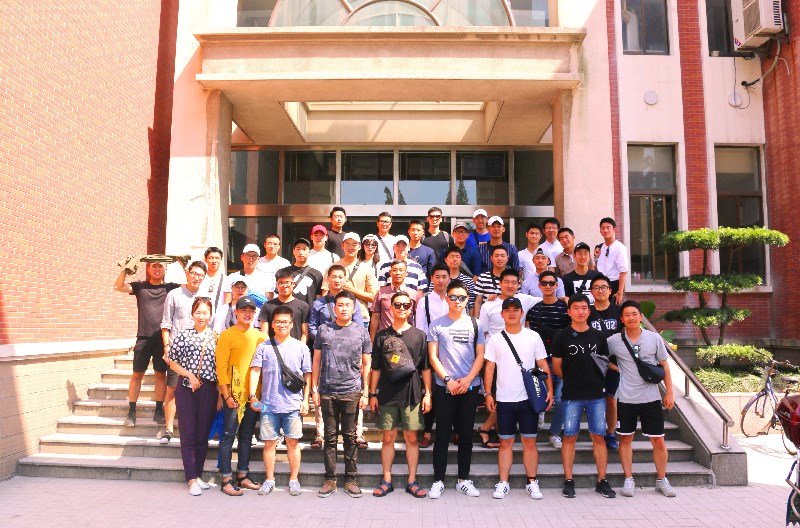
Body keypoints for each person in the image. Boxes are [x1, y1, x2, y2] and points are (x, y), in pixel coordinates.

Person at [484, 297, 553, 500]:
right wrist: (488, 394)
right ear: (502, 314)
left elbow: (543, 364)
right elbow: (489, 368)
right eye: (508, 310)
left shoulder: (532, 336)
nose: (512, 313)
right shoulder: (495, 339)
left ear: (522, 313)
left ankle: (532, 481)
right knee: (505, 442)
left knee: (529, 442)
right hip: (504, 399)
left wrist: (549, 389)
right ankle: (503, 482)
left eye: (516, 310)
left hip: (528, 399)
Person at [607, 300, 676, 498]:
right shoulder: (614, 341)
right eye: (626, 315)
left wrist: (669, 393)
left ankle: (662, 479)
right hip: (625, 398)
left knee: (658, 441)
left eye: (634, 314)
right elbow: (601, 358)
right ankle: (628, 479)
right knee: (625, 439)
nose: (631, 318)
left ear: (641, 317)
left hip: (651, 398)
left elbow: (665, 366)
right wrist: (619, 368)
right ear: (622, 319)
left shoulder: (654, 338)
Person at [368, 291, 432, 499]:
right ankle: (386, 480)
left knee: (412, 438)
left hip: (412, 394)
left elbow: (425, 368)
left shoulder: (420, 335)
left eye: (406, 305)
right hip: (387, 394)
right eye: (398, 305)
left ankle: (412, 481)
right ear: (391, 307)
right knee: (388, 438)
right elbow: (375, 368)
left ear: (411, 308)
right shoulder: (382, 335)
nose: (402, 308)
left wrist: (428, 393)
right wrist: (372, 393)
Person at [551, 294, 615, 499]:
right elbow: (557, 367)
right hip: (571, 395)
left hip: (597, 395)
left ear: (589, 311)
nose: (580, 311)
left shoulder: (599, 336)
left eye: (584, 308)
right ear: (569, 311)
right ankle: (569, 480)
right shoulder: (561, 336)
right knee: (570, 437)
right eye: (576, 308)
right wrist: (573, 379)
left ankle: (602, 480)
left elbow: (604, 363)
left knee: (598, 437)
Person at [427, 280, 485, 499]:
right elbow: (433, 357)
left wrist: (468, 380)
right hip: (445, 388)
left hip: (469, 388)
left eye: (461, 297)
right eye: (453, 297)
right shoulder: (437, 324)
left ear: (467, 299)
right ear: (446, 298)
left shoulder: (476, 324)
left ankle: (463, 479)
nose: (457, 301)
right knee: (442, 436)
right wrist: (448, 380)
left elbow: (480, 355)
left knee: (466, 436)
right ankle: (438, 480)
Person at [312, 291, 372, 498]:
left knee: (350, 437)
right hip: (327, 390)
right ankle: (330, 479)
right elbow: (316, 360)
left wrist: (365, 392)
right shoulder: (324, 330)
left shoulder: (361, 331)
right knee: (329, 438)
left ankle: (351, 479)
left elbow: (367, 364)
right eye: (340, 305)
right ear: (334, 308)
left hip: (351, 390)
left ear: (354, 309)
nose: (344, 308)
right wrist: (314, 389)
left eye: (348, 305)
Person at [247, 305, 312, 497]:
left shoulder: (301, 347)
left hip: (293, 404)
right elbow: (255, 370)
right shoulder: (264, 346)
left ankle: (294, 480)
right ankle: (269, 479)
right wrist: (252, 395)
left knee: (293, 443)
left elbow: (307, 375)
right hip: (268, 403)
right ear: (272, 324)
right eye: (278, 322)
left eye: (285, 322)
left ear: (292, 324)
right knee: (269, 444)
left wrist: (306, 400)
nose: (282, 325)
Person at [477, 269, 540, 450]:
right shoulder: (489, 305)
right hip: (495, 356)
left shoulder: (524, 300)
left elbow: (548, 297)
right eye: (506, 282)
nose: (510, 285)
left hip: (518, 358)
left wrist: (565, 299)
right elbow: (483, 333)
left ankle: (488, 429)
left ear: (519, 284)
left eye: (514, 282)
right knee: (499, 398)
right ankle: (493, 431)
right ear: (500, 283)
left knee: (507, 398)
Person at [114, 259, 180, 428]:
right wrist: (126, 270)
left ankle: (158, 411)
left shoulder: (171, 288)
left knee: (160, 374)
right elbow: (119, 286)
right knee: (137, 374)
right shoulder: (140, 287)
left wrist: (183, 264)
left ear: (165, 269)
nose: (157, 269)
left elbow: (191, 287)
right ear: (148, 269)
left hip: (162, 339)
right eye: (154, 266)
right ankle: (131, 411)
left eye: (160, 266)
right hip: (143, 337)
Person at [308, 265, 367, 449]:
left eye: (341, 277)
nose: (337, 280)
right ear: (328, 279)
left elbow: (359, 327)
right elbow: (312, 327)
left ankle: (358, 434)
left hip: (349, 355)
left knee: (354, 393)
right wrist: (327, 336)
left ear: (345, 279)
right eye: (333, 276)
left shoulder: (352, 302)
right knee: (323, 393)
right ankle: (320, 434)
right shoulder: (318, 304)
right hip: (325, 351)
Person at [215, 296, 265, 496]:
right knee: (228, 436)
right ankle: (226, 478)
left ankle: (242, 475)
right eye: (243, 310)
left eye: (251, 310)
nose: (247, 313)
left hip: (253, 396)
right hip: (233, 396)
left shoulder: (260, 337)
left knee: (246, 436)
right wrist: (226, 394)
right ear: (235, 312)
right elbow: (221, 368)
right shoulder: (227, 335)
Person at [168, 297, 218, 496]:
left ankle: (197, 475)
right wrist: (189, 375)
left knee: (202, 435)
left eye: (205, 312)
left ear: (211, 315)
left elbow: (219, 366)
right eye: (198, 312)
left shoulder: (216, 337)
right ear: (192, 314)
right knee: (188, 434)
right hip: (187, 388)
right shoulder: (183, 335)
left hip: (209, 389)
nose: (201, 316)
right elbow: (172, 362)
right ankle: (190, 478)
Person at [160, 261, 207, 444]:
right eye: (194, 273)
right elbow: (166, 323)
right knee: (172, 389)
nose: (196, 277)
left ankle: (193, 428)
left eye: (200, 275)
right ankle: (169, 429)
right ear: (187, 273)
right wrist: (167, 347)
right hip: (177, 351)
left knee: (197, 389)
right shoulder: (174, 294)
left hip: (199, 351)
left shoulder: (205, 296)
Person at [526, 270, 571, 448]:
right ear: (539, 286)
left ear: (556, 285)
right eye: (544, 283)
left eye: (551, 283)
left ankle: (554, 433)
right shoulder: (534, 309)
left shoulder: (565, 308)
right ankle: (539, 418)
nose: (547, 286)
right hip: (542, 361)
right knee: (541, 397)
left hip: (563, 360)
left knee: (560, 399)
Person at [415, 263, 451, 449]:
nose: (441, 281)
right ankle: (427, 432)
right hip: (431, 349)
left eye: (444, 277)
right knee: (430, 391)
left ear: (449, 279)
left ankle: (453, 431)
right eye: (437, 277)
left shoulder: (455, 298)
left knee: (451, 391)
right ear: (432, 279)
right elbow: (420, 327)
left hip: (452, 352)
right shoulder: (425, 301)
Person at [588, 274, 623, 450]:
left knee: (611, 399)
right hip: (592, 364)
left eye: (604, 287)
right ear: (591, 291)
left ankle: (610, 433)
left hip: (615, 364)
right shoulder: (587, 311)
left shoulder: (618, 312)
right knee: (594, 400)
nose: (600, 290)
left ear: (610, 291)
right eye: (596, 287)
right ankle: (596, 433)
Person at [371, 260, 422, 339]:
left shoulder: (414, 294)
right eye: (394, 270)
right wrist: (372, 339)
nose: (398, 273)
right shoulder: (381, 292)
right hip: (385, 337)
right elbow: (375, 317)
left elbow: (418, 318)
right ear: (390, 272)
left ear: (406, 273)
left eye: (401, 270)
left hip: (407, 337)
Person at [259, 268, 310, 343]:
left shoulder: (303, 306)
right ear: (276, 285)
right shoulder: (267, 305)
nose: (284, 285)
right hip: (273, 347)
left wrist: (300, 348)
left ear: (293, 284)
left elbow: (305, 334)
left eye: (287, 282)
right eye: (281, 283)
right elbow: (264, 332)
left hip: (295, 348)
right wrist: (271, 348)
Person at [335, 232, 378, 322]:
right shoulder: (333, 267)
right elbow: (326, 293)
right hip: (337, 317)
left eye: (354, 244)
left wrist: (352, 290)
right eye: (347, 244)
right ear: (342, 246)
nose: (350, 247)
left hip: (361, 317)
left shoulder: (367, 268)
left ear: (359, 247)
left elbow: (373, 297)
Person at [279, 238, 324, 309]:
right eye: (298, 249)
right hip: (287, 312)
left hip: (309, 313)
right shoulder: (284, 272)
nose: (300, 252)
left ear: (309, 252)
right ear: (293, 251)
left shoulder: (317, 274)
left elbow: (318, 298)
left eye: (304, 249)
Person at [596, 217, 629, 304]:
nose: (605, 230)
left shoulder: (620, 248)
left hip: (613, 285)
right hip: (600, 284)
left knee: (612, 310)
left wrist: (620, 292)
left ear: (614, 229)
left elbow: (623, 272)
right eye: (603, 228)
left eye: (608, 227)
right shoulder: (600, 247)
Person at [199, 247, 228, 332]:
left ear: (221, 260)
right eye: (211, 258)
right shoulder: (199, 278)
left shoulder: (226, 280)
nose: (214, 261)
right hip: (200, 320)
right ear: (205, 259)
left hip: (218, 324)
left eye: (217, 258)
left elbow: (227, 303)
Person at [474, 245, 509, 316]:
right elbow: (478, 302)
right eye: (496, 256)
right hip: (487, 317)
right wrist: (476, 320)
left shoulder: (513, 279)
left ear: (507, 258)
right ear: (491, 258)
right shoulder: (482, 277)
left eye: (502, 256)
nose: (499, 258)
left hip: (508, 316)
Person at [442, 247, 477, 312]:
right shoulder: (440, 280)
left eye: (457, 257)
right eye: (451, 257)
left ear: (461, 260)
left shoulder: (468, 281)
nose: (454, 259)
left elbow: (471, 304)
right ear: (446, 260)